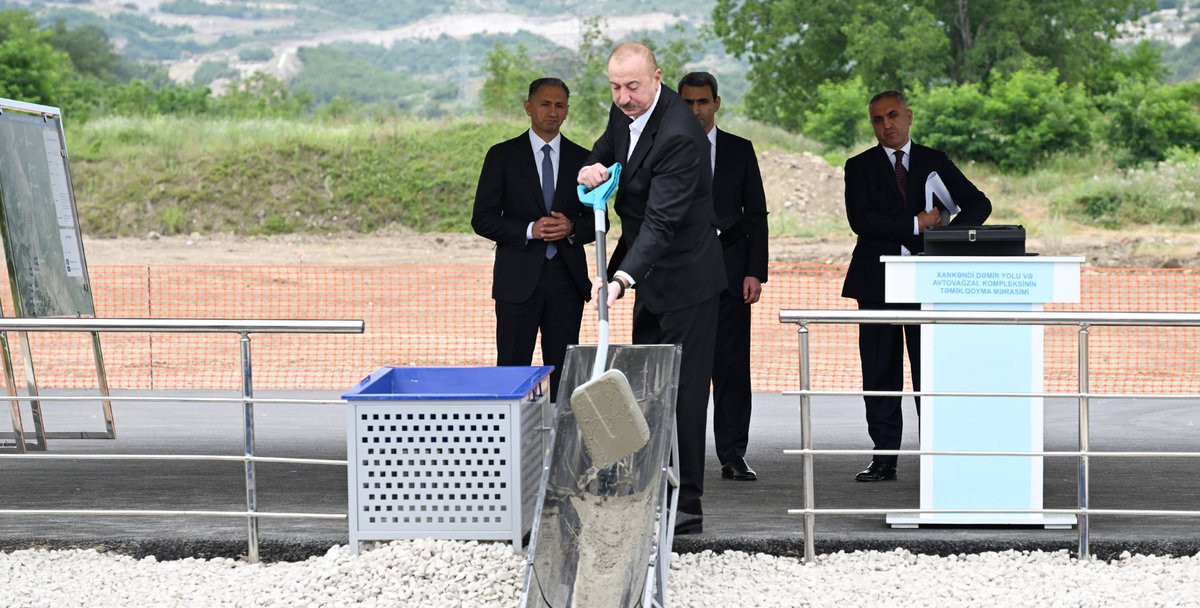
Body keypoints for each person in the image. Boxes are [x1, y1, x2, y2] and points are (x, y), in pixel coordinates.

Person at [578, 43, 725, 534]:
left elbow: (662, 222)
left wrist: (621, 278)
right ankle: (651, 488)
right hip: (649, 274)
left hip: (688, 278)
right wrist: (591, 166)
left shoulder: (680, 135)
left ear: (657, 77)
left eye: (633, 86)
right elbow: (608, 146)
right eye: (615, 87)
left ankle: (686, 504)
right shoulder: (625, 110)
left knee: (683, 393)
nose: (623, 97)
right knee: (647, 386)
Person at [842, 90, 992, 482]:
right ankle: (884, 458)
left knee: (931, 372)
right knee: (880, 371)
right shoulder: (858, 166)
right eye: (878, 119)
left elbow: (979, 204)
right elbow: (861, 220)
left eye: (893, 115)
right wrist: (916, 225)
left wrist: (945, 238)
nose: (886, 125)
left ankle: (938, 455)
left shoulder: (934, 160)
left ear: (908, 116)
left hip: (929, 283)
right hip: (877, 282)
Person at [471, 78, 594, 403]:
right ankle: (510, 435)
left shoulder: (584, 159)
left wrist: (571, 227)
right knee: (512, 370)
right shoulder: (502, 156)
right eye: (545, 104)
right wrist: (529, 230)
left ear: (567, 111)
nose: (552, 111)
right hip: (516, 282)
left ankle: (561, 435)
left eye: (559, 105)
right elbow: (482, 218)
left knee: (565, 373)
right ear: (528, 107)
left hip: (567, 281)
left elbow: (601, 221)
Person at [678, 71, 768, 482]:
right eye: (688, 102)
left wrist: (754, 272)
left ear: (716, 103)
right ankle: (679, 457)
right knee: (684, 372)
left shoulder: (739, 149)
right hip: (680, 281)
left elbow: (757, 214)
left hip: (731, 279)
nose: (696, 109)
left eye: (703, 101)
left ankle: (733, 455)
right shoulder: (665, 148)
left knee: (731, 369)